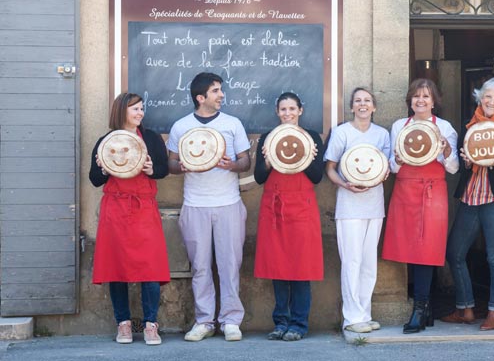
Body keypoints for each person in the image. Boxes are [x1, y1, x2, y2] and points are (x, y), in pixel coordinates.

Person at [166, 72, 251, 342]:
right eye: (216, 91)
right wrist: (182, 166)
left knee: (229, 264)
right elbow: (171, 164)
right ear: (201, 97)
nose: (221, 95)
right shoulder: (181, 126)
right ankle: (204, 320)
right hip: (195, 204)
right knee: (200, 266)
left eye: (220, 90)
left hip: (228, 203)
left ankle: (231, 320)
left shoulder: (232, 123)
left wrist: (232, 165)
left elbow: (245, 161)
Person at [441, 77, 494, 332]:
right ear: (480, 98)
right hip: (470, 197)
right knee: (454, 253)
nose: (492, 102)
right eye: (488, 97)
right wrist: (466, 162)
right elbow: (461, 167)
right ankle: (466, 308)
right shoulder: (469, 126)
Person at [90, 92, 170, 346]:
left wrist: (151, 169)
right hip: (115, 209)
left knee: (151, 268)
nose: (140, 113)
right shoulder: (106, 141)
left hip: (144, 208)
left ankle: (150, 324)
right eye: (135, 108)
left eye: (142, 108)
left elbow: (163, 170)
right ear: (121, 111)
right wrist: (103, 167)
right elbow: (95, 179)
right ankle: (123, 324)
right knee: (115, 268)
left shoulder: (151, 138)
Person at [382, 78, 459, 334]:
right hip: (405, 190)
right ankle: (424, 309)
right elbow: (392, 167)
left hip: (432, 191)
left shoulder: (445, 127)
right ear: (410, 101)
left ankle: (421, 306)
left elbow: (453, 167)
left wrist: (446, 151)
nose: (421, 100)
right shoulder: (398, 126)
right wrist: (398, 160)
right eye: (416, 96)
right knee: (407, 247)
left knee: (426, 249)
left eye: (426, 96)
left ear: (434, 100)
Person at [253, 92, 325, 341]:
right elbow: (260, 177)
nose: (287, 113)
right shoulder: (267, 138)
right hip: (274, 207)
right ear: (277, 112)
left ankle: (299, 324)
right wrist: (271, 159)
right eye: (283, 109)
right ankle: (280, 322)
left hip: (302, 208)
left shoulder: (312, 137)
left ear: (300, 111)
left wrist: (301, 153)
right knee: (278, 267)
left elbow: (317, 177)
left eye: (292, 108)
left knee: (301, 269)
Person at [324, 87, 391, 334]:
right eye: (358, 101)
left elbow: (386, 167)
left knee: (368, 263)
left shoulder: (382, 134)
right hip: (349, 206)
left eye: (367, 101)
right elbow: (330, 168)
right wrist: (345, 184)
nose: (362, 105)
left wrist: (381, 176)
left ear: (374, 107)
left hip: (374, 206)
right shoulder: (342, 133)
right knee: (351, 261)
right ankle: (351, 318)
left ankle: (364, 313)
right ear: (351, 107)